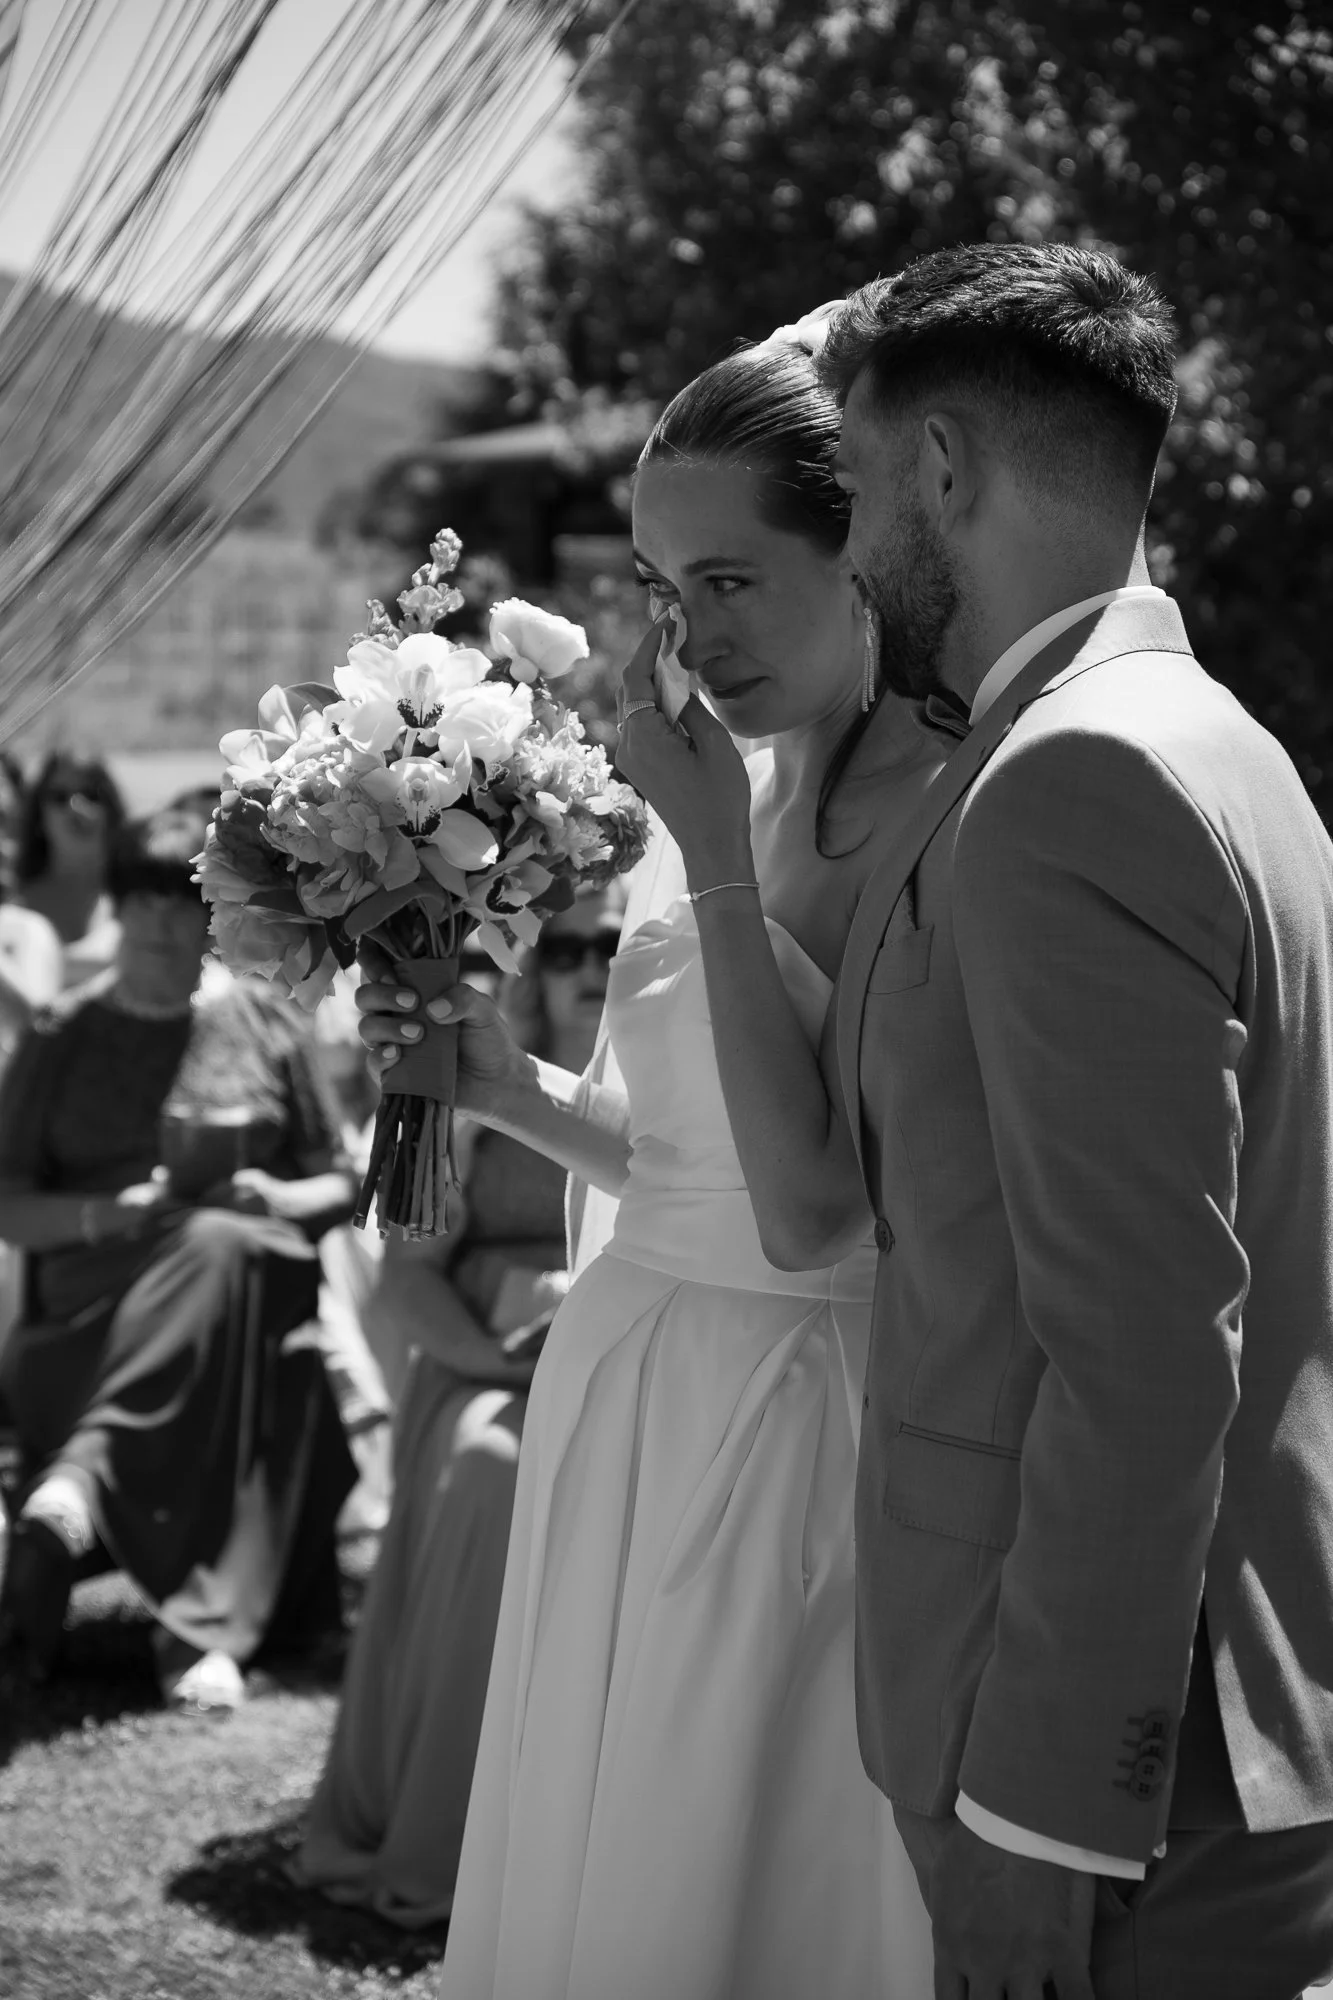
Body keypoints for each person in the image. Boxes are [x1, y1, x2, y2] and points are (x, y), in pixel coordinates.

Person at [689, 243, 1333, 1997]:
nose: (846, 522)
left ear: (946, 471)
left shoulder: (1074, 779)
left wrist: (1045, 1816)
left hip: (1099, 1771)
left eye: (857, 471)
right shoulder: (1212, 746)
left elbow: (1137, 1354)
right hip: (1160, 1713)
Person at [357, 343, 942, 1997]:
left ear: (868, 558)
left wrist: (709, 864)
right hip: (629, 1383)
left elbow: (813, 1206)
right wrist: (488, 1078)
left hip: (782, 1439)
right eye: (665, 586)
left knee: (730, 1879)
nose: (695, 634)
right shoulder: (739, 787)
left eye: (736, 578)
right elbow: (680, 1157)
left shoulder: (933, 818)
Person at [290, 888, 622, 1928]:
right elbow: (405, 1280)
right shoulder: (479, 1092)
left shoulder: (670, 1080)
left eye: (609, 944)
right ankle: (452, 1829)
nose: (585, 965)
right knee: (492, 1470)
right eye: (562, 946)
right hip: (486, 1369)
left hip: (628, 1357)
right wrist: (502, 1364)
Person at [0, 800, 358, 1711]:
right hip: (92, 1319)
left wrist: (279, 1196)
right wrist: (108, 1214)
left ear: (213, 914)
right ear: (118, 906)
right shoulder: (60, 1036)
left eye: (184, 902)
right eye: (146, 900)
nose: (165, 923)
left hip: (240, 1292)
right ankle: (201, 1632)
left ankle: (83, 1484)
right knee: (232, 1276)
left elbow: (342, 1181)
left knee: (225, 1238)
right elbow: (10, 1207)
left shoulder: (266, 1022)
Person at [15, 751, 125, 988]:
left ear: (111, 810)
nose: (76, 807)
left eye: (91, 794)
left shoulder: (140, 897)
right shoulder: (11, 905)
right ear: (39, 817)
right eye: (59, 797)